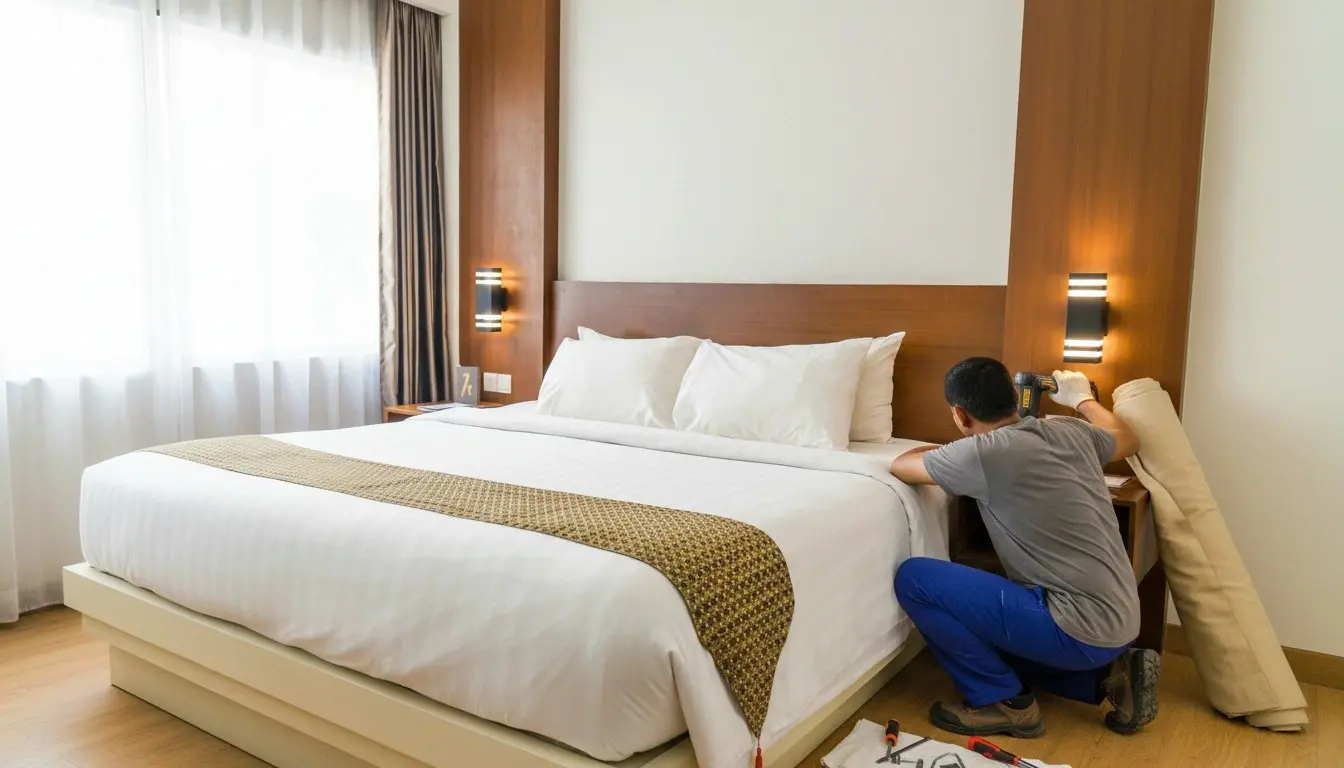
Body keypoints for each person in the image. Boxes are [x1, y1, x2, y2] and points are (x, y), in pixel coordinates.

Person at [888, 357, 1157, 738]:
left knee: (915, 579)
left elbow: (901, 465)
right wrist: (1082, 400)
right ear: (1014, 397)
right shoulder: (1071, 431)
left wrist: (957, 450)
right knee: (987, 636)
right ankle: (1108, 675)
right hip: (1123, 618)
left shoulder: (981, 454)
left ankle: (1005, 704)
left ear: (960, 415)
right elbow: (1128, 439)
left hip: (1077, 629)